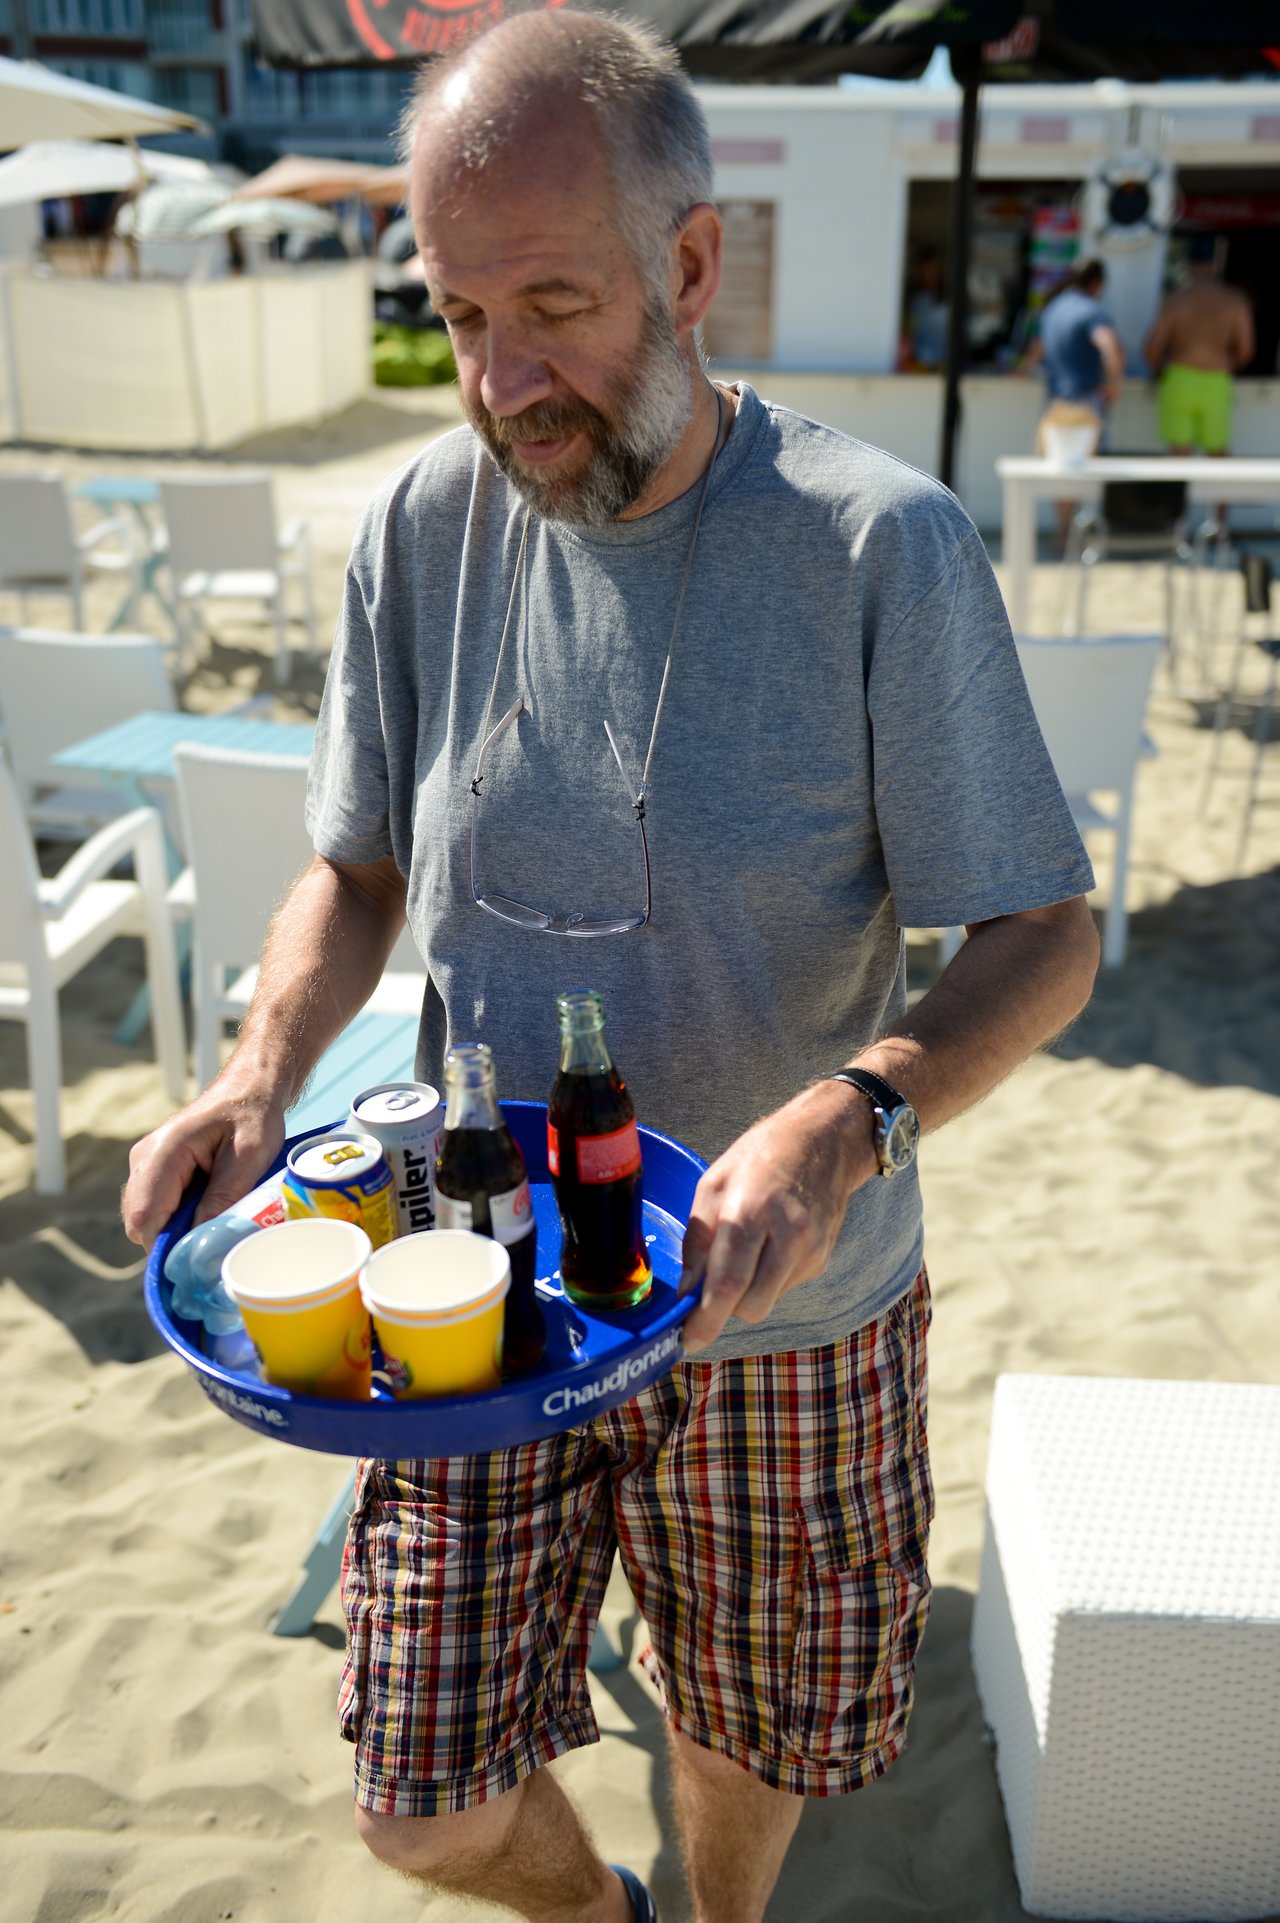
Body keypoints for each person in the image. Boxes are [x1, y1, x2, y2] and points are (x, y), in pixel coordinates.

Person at [121, 14, 1100, 1922]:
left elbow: (1045, 933)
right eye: (460, 315)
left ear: (696, 263)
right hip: (478, 1289)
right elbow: (356, 865)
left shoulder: (875, 549)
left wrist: (855, 1108)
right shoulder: (418, 526)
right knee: (417, 1797)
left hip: (785, 1309)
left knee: (746, 1732)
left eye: (552, 305)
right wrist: (254, 1072)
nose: (502, 379)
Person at [1028, 258, 1126, 551]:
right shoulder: (1092, 312)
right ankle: (1073, 539)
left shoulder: (1053, 310)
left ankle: (1063, 535)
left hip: (1056, 404)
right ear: (1096, 284)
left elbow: (1035, 353)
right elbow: (1111, 350)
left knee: (1061, 471)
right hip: (1085, 403)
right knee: (1082, 472)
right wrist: (1114, 384)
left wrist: (1019, 371)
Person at [1143, 236, 1255, 456]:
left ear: (1188, 265)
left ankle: (1179, 493)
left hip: (1179, 378)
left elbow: (1152, 349)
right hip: (1217, 379)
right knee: (1217, 451)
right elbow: (1246, 350)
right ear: (1215, 265)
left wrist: (1159, 371)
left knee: (1179, 453)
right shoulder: (1234, 300)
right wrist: (1228, 366)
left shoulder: (1175, 300)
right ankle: (1221, 492)